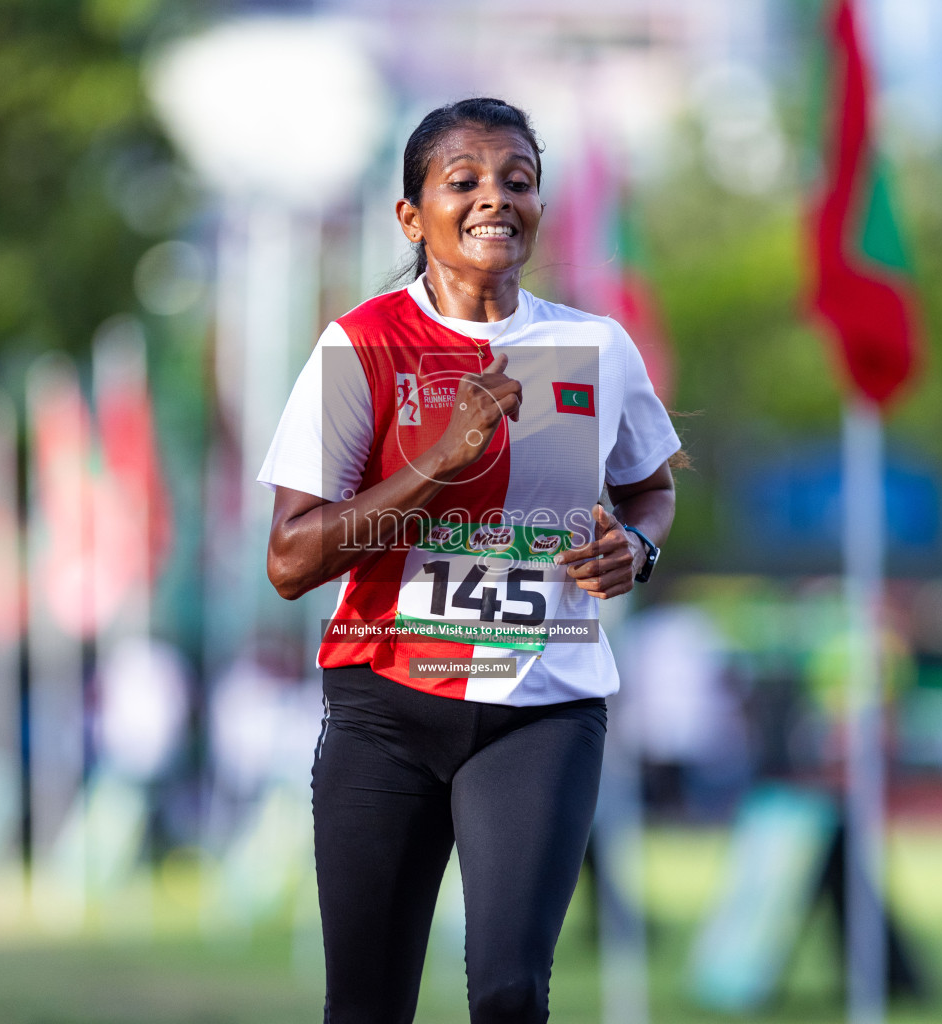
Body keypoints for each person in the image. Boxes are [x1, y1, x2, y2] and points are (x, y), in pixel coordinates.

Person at [259, 98, 680, 1024]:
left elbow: (652, 487)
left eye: (518, 181)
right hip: (387, 708)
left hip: (542, 706)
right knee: (366, 1007)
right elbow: (290, 559)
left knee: (506, 992)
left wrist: (636, 545)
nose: (496, 199)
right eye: (466, 182)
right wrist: (432, 465)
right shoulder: (362, 345)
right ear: (413, 217)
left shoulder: (596, 347)